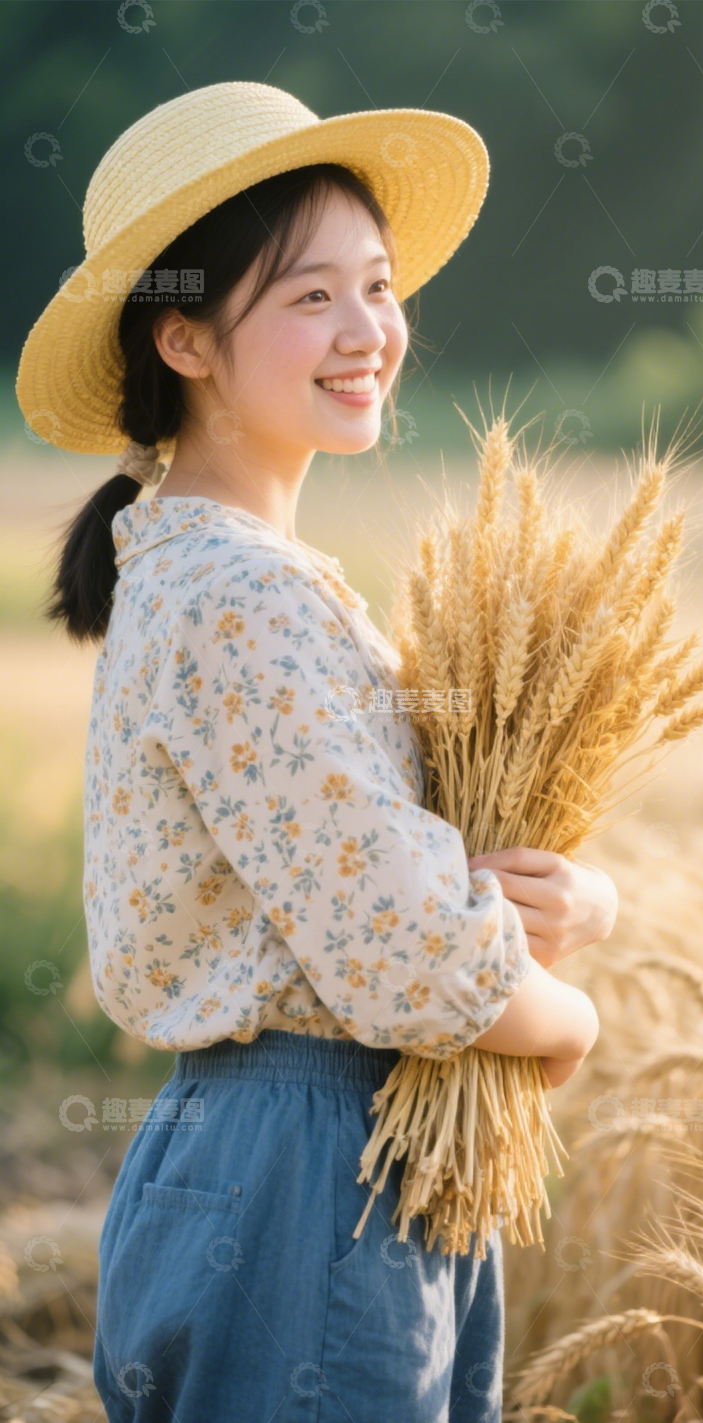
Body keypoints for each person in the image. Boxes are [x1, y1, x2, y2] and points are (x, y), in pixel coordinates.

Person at [17, 81, 614, 1423]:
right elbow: (402, 940)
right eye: (310, 299)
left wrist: (579, 900)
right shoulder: (237, 594)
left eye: (379, 288)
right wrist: (564, 1018)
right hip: (307, 1178)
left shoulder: (240, 574)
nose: (369, 333)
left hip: (311, 1161)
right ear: (186, 341)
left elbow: (402, 874)